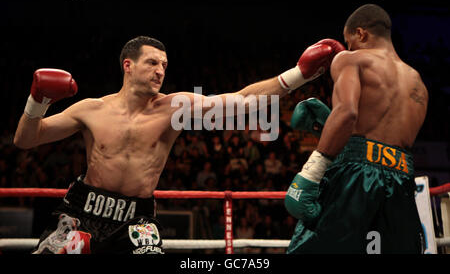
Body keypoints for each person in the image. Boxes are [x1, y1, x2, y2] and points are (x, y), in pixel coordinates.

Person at [13, 36, 344, 254]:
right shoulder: (91, 109)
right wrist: (37, 100)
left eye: (164, 65)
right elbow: (26, 139)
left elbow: (242, 102)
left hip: (135, 220)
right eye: (152, 63)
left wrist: (299, 74)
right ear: (127, 65)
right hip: (81, 212)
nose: (160, 71)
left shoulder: (174, 108)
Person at [285, 4, 429, 254]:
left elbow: (347, 113)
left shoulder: (350, 59)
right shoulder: (418, 84)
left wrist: (311, 172)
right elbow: (382, 138)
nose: (348, 47)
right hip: (401, 182)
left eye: (348, 40)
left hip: (356, 178)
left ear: (361, 33)